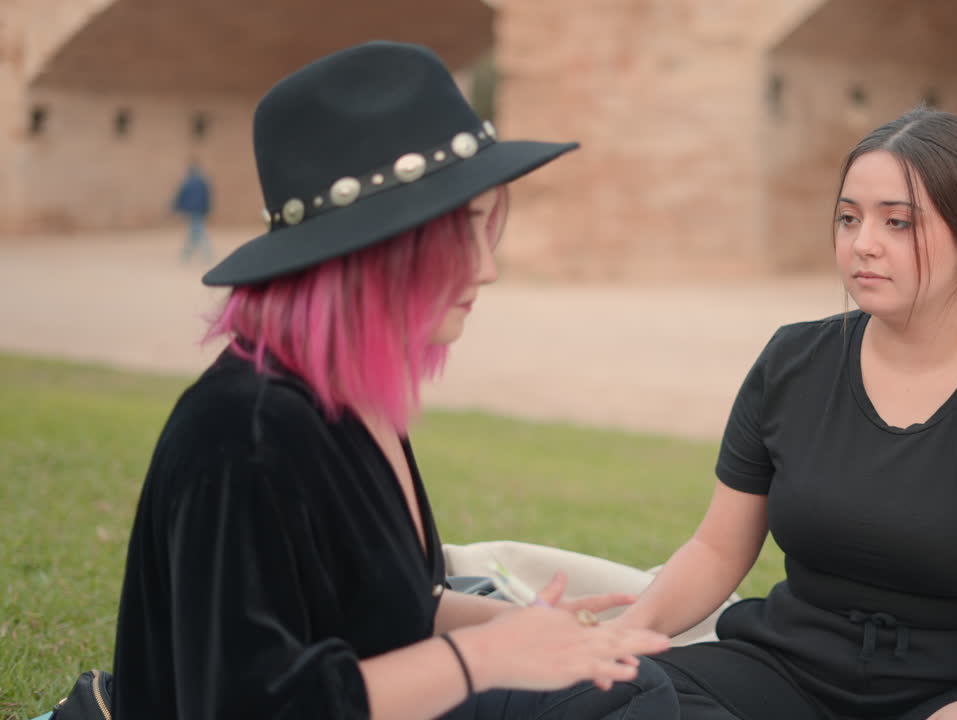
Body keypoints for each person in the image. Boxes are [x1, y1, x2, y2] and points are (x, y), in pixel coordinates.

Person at [108, 41, 676, 720]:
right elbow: (245, 702)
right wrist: (488, 657)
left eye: (484, 227)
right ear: (376, 252)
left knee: (627, 682)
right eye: (458, 232)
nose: (486, 268)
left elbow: (390, 604)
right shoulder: (244, 434)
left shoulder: (347, 400)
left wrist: (527, 628)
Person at [617, 108, 957, 720]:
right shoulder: (791, 362)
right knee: (634, 694)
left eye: (897, 223)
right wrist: (622, 636)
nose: (862, 243)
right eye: (848, 219)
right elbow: (717, 549)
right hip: (786, 672)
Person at [173, 161, 214, 264]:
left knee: (198, 232)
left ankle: (193, 255)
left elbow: (181, 196)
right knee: (195, 233)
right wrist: (207, 210)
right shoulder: (202, 182)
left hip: (192, 211)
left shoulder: (188, 182)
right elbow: (207, 197)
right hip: (199, 211)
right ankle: (189, 255)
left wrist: (175, 208)